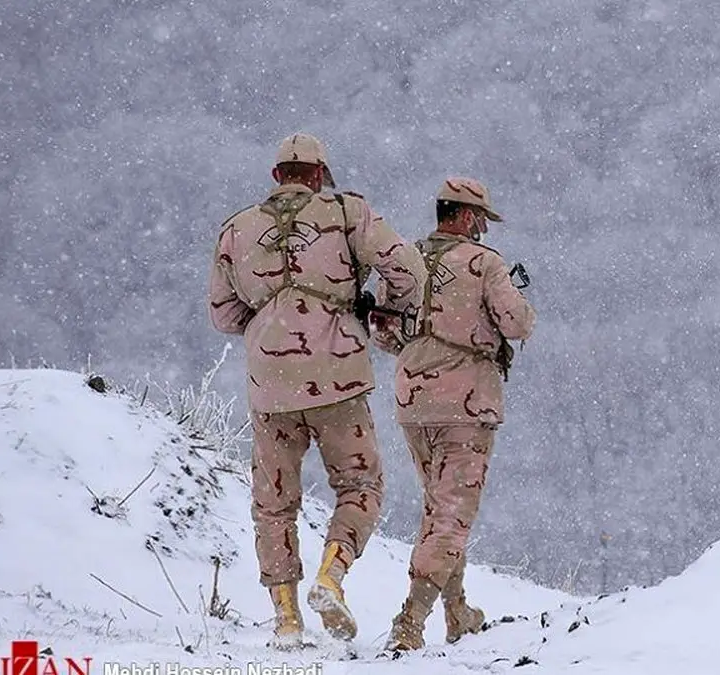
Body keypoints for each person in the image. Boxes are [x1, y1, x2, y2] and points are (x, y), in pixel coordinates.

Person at [207, 133, 425, 650]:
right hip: (338, 378)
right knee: (360, 485)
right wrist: (380, 308)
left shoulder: (237, 230)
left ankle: (285, 618)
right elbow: (409, 269)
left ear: (276, 176)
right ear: (320, 174)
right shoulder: (349, 213)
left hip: (270, 388)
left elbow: (222, 315)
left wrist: (270, 325)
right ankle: (331, 575)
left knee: (274, 501)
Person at [371, 177, 537, 652]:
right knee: (452, 513)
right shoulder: (485, 264)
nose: (483, 227)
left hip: (412, 402)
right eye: (481, 218)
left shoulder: (403, 260)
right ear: (465, 216)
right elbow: (518, 322)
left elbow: (381, 334)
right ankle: (410, 621)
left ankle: (458, 610)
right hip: (467, 402)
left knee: (437, 504)